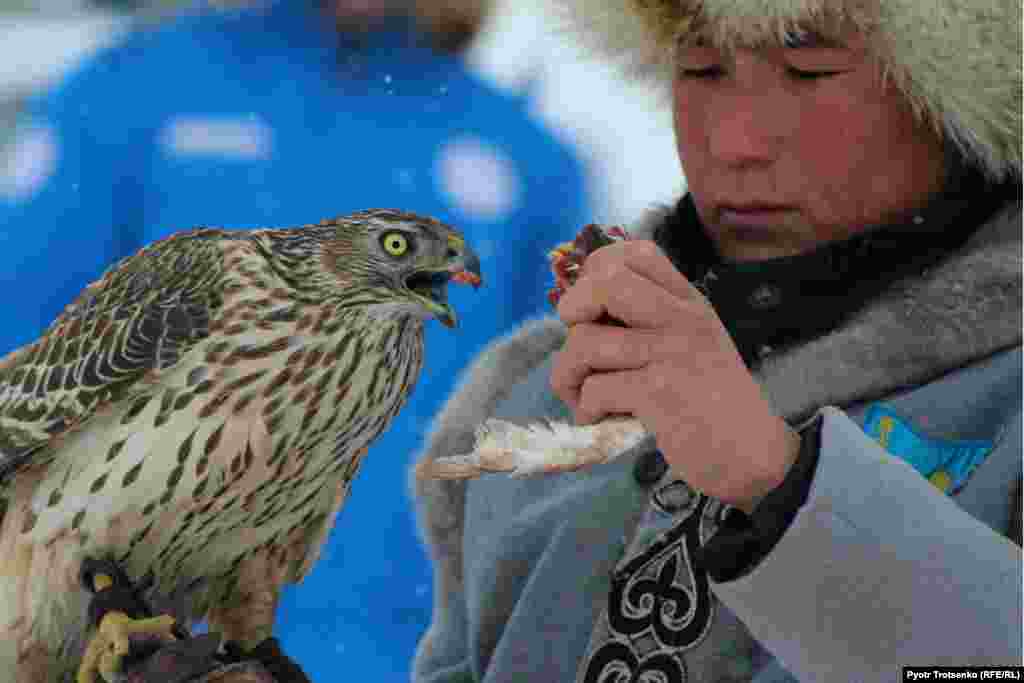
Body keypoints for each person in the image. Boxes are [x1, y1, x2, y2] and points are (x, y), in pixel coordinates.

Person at [411, 0, 1022, 681]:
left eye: (807, 67)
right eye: (701, 66)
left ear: (961, 89)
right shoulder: (540, 400)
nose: (735, 141)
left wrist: (779, 483)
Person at [0, 0, 591, 679]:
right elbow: (27, 382)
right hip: (108, 624)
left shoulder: (523, 151)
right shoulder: (127, 98)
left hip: (415, 651)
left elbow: (548, 458)